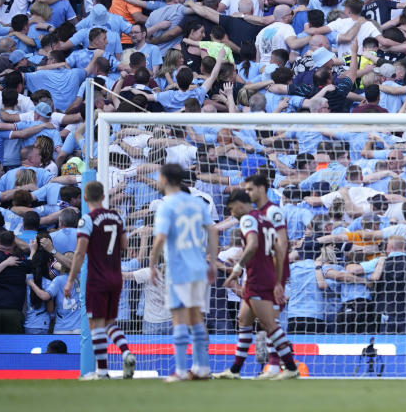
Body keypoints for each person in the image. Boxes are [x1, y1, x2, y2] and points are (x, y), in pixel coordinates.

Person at [215, 190, 299, 380]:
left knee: (269, 324)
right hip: (265, 275)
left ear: (238, 204)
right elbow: (279, 247)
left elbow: (252, 245)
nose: (232, 214)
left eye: (231, 209)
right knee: (244, 320)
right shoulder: (265, 219)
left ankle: (291, 366)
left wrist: (237, 269)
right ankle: (235, 370)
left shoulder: (247, 219)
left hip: (257, 278)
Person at [149, 163, 217, 382]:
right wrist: (213, 262)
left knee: (178, 319)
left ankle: (180, 370)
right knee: (196, 319)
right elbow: (213, 231)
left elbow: (160, 238)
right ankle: (202, 367)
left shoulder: (166, 205)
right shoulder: (197, 203)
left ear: (165, 179)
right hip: (199, 266)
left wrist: (152, 264)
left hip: (178, 268)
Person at [63, 181, 136, 379]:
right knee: (110, 321)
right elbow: (123, 245)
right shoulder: (116, 216)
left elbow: (79, 253)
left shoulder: (87, 220)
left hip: (97, 278)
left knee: (95, 323)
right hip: (116, 276)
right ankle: (126, 352)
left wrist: (70, 281)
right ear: (103, 196)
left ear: (85, 198)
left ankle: (102, 372)